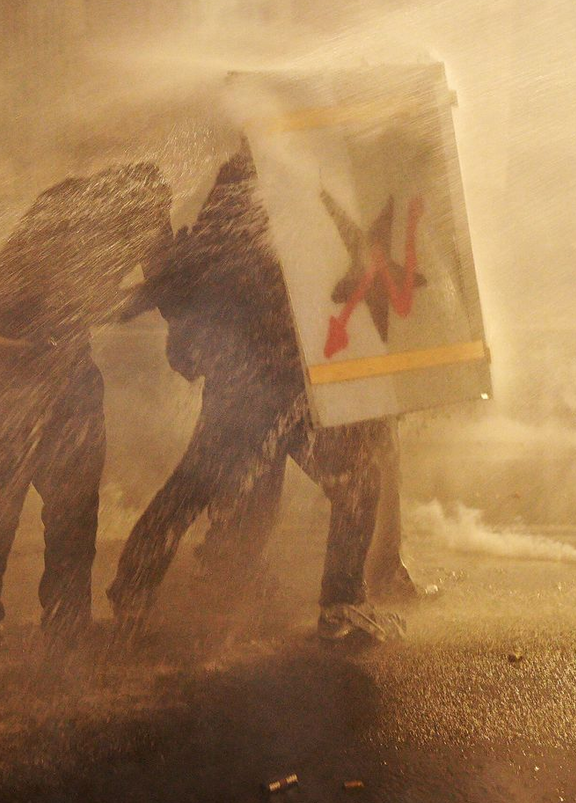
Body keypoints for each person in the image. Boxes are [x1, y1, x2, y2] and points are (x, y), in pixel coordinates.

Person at [107, 146, 415, 642]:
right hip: (260, 383)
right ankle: (140, 592)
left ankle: (337, 605)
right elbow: (197, 274)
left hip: (283, 381)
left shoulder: (282, 191)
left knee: (349, 480)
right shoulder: (252, 191)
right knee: (204, 486)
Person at [0, 162, 172, 642]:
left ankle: (68, 617)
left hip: (63, 373)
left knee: (70, 505)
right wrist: (148, 292)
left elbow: (153, 281)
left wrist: (154, 287)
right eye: (156, 217)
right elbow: (74, 301)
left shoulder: (102, 209)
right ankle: (67, 617)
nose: (158, 231)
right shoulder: (73, 214)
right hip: (18, 374)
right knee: (12, 502)